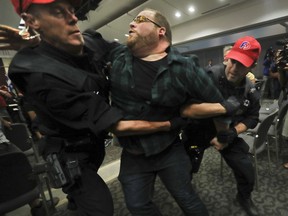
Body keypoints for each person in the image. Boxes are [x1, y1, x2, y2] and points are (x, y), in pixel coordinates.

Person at [6, 1, 184, 215]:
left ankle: (75, 202)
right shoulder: (40, 76)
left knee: (82, 201)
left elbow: (123, 51)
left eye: (71, 10)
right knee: (100, 208)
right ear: (31, 21)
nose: (73, 17)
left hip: (94, 142)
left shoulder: (88, 41)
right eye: (57, 12)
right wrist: (172, 123)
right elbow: (117, 126)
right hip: (71, 154)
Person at [107, 8, 241, 216]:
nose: (131, 24)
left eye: (139, 19)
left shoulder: (183, 67)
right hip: (133, 154)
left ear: (160, 31)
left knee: (187, 199)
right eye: (132, 21)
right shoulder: (118, 57)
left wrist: (222, 133)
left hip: (168, 148)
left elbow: (216, 102)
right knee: (137, 206)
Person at [182, 36, 261, 216]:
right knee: (186, 170)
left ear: (252, 66)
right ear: (228, 57)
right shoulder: (208, 76)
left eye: (242, 65)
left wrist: (233, 132)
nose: (233, 68)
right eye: (233, 61)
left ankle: (243, 197)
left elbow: (252, 118)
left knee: (246, 170)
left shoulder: (251, 90)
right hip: (197, 130)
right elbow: (185, 109)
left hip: (227, 132)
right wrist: (221, 107)